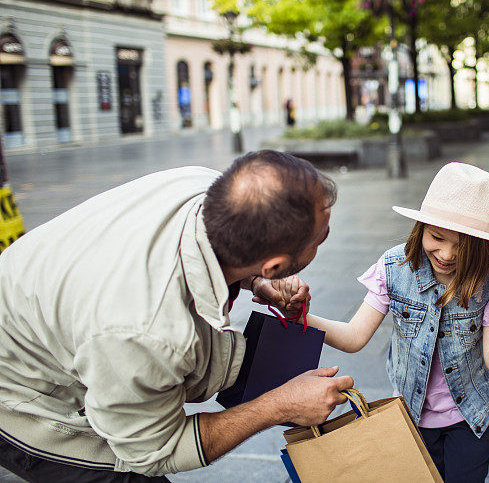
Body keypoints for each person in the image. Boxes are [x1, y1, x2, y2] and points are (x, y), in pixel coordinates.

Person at [0, 150, 354, 481]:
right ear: (276, 262)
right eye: (320, 239)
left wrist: (256, 279)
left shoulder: (200, 184)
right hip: (25, 396)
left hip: (66, 317)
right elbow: (153, 450)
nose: (325, 238)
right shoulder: (143, 329)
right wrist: (278, 406)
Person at [277, 162, 489, 482]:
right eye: (437, 237)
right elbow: (354, 336)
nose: (446, 254)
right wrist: (301, 317)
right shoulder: (395, 267)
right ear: (421, 228)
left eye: (462, 246)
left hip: (470, 419)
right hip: (409, 417)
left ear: (482, 246)